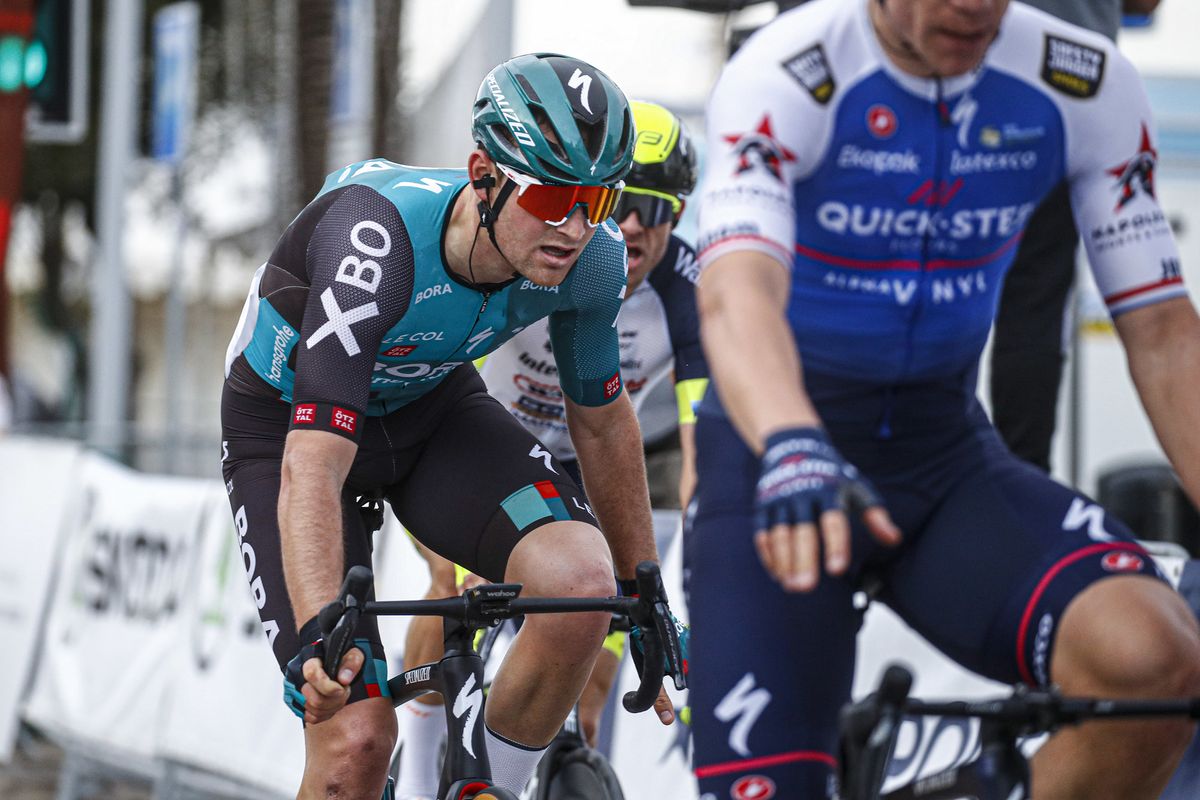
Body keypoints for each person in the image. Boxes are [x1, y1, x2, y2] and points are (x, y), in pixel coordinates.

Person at [690, 1, 1200, 798]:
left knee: (1151, 663)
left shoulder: (1082, 79)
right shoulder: (791, 68)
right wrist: (792, 439)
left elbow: (1164, 332)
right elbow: (735, 294)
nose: (973, 7)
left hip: (945, 462)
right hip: (777, 462)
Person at [220, 52, 681, 800]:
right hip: (289, 430)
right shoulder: (378, 240)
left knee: (582, 591)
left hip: (429, 411)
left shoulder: (592, 265)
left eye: (598, 199)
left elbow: (601, 424)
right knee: (357, 740)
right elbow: (314, 462)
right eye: (553, 194)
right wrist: (317, 631)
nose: (575, 226)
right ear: (482, 174)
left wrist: (644, 591)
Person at [393, 99, 706, 800]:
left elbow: (703, 444)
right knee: (455, 595)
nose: (626, 226)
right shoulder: (546, 254)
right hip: (471, 448)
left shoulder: (687, 291)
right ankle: (416, 780)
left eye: (651, 211)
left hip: (585, 466)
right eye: (614, 204)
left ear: (677, 218)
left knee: (594, 653)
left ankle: (543, 771)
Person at [990, 0, 1162, 472]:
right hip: (1073, 91)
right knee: (1034, 309)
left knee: (891, 287)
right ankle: (1020, 485)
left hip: (942, 80)